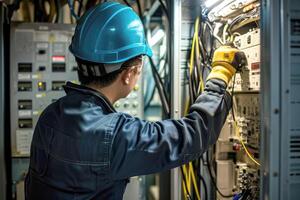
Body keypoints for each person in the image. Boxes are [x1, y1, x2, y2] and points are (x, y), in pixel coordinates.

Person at [25, 2, 246, 200]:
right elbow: (191, 135)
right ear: (129, 73)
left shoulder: (50, 115)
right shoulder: (114, 136)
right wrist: (219, 75)